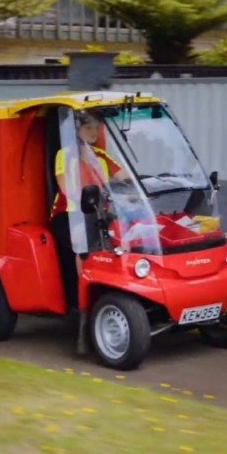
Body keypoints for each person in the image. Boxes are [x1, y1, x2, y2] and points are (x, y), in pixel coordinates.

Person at [49, 111, 131, 317]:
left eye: (96, 127)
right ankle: (81, 303)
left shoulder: (102, 156)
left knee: (127, 236)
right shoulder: (64, 155)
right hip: (68, 215)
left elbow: (126, 178)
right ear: (76, 130)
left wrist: (141, 187)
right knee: (82, 241)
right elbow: (66, 187)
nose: (94, 132)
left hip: (97, 215)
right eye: (88, 128)